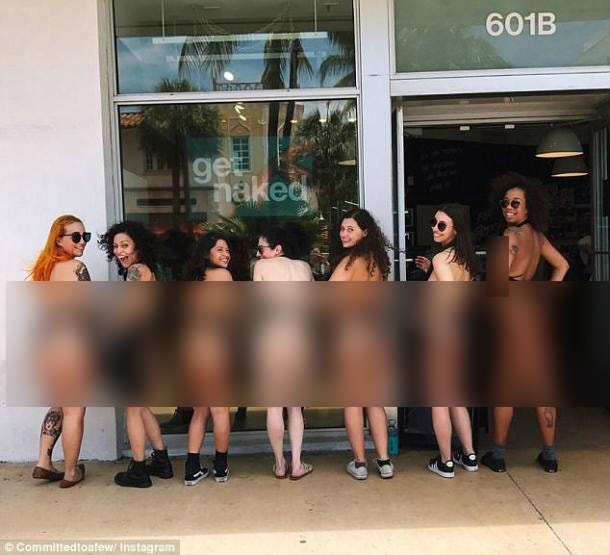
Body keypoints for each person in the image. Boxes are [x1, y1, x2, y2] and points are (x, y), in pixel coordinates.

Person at [482, 173, 569, 474]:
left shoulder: (507, 237)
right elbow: (563, 265)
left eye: (515, 203)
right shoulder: (538, 237)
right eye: (505, 202)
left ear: (529, 207)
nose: (508, 207)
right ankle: (549, 455)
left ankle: (498, 455)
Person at [99, 221, 173, 487]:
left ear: (138, 246)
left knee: (132, 409)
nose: (119, 251)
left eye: (125, 245)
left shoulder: (135, 271)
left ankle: (139, 470)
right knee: (140, 407)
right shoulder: (147, 271)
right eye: (115, 246)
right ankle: (161, 460)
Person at [329, 209, 395, 480]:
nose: (344, 234)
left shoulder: (350, 262)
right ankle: (385, 461)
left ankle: (359, 463)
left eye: (350, 229)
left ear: (364, 232)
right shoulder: (377, 262)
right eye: (342, 229)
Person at [29, 214, 91, 488]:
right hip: (74, 348)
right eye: (76, 237)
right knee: (75, 411)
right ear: (58, 239)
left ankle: (43, 461)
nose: (82, 242)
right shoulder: (77, 268)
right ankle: (70, 472)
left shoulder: (45, 271)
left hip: (50, 349)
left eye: (85, 236)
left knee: (58, 405)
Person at [253, 223, 314, 480]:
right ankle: (297, 463)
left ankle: (279, 464)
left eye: (261, 248)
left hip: (272, 339)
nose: (258, 253)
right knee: (295, 406)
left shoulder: (263, 267)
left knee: (274, 406)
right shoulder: (304, 268)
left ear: (277, 249)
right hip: (299, 340)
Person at [424, 204, 480, 479]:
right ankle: (469, 455)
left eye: (441, 225)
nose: (434, 228)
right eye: (434, 223)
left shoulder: (441, 258)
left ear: (456, 230)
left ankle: (445, 461)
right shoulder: (466, 259)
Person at [183, 233, 233, 486]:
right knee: (220, 410)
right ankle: (221, 466)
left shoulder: (194, 279)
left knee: (200, 410)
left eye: (227, 250)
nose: (226, 254)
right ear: (207, 252)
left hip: (193, 351)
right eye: (220, 249)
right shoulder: (223, 276)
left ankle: (191, 467)